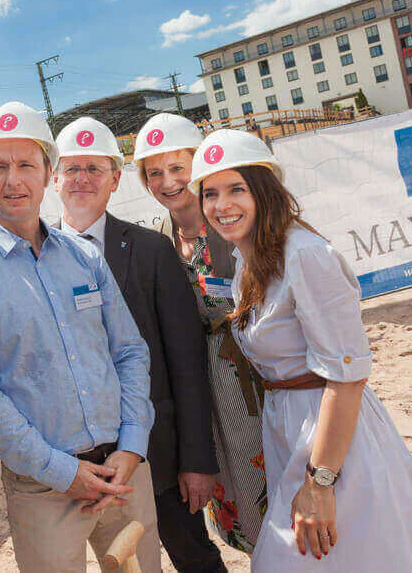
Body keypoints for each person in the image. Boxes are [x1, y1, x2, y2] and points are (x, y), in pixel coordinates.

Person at [187, 129, 412, 571]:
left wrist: (321, 480)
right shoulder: (251, 258)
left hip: (335, 438)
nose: (221, 205)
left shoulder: (305, 255)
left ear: (265, 190)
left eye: (236, 189)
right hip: (290, 427)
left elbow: (348, 376)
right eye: (210, 193)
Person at [0, 102, 159, 572]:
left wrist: (133, 444)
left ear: (47, 174)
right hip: (43, 488)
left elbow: (129, 351)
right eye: (0, 167)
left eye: (26, 165)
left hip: (124, 472)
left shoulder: (84, 258)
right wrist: (63, 472)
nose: (13, 179)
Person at [52, 117, 224, 573]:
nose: (82, 179)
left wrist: (196, 460)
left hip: (161, 456)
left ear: (114, 179)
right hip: (78, 465)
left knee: (193, 557)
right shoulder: (35, 258)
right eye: (71, 168)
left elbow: (185, 363)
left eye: (95, 168)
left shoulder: (151, 251)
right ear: (54, 178)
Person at [133, 114, 265, 553]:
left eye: (178, 168)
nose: (168, 182)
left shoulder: (232, 224)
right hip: (201, 384)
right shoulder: (159, 239)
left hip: (255, 378)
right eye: (155, 173)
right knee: (230, 487)